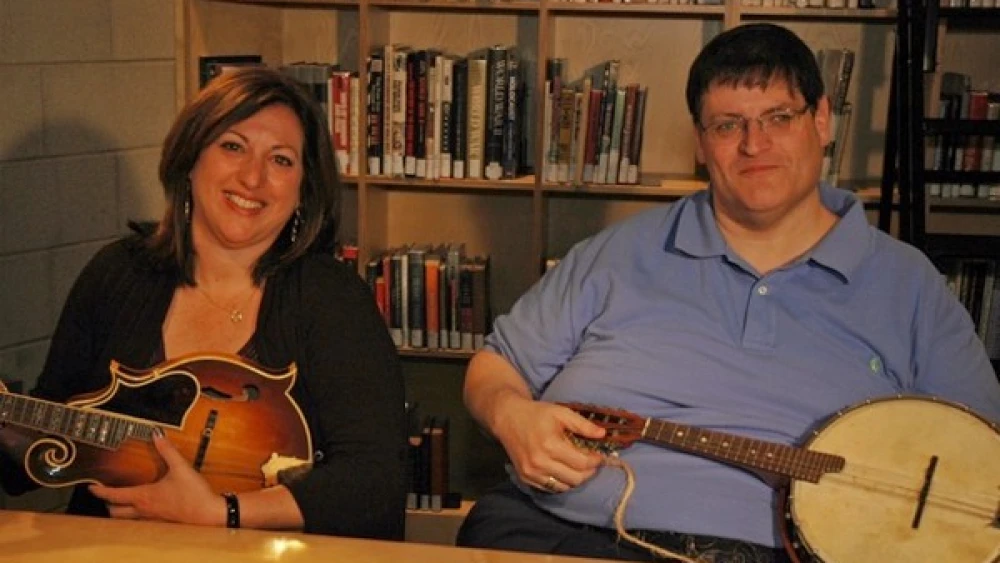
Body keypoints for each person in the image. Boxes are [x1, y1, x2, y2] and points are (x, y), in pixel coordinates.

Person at [457, 23, 1000, 562]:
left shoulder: (911, 286)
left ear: (822, 121)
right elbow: (496, 365)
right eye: (727, 125)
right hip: (565, 534)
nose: (753, 145)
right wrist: (511, 416)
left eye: (778, 118)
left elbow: (980, 464)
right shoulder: (616, 253)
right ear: (700, 141)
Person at [0, 68, 406, 539]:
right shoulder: (116, 274)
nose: (252, 178)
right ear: (190, 159)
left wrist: (223, 513)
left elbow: (376, 484)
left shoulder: (331, 299)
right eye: (232, 147)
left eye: (280, 160)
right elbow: (42, 450)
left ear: (303, 190)